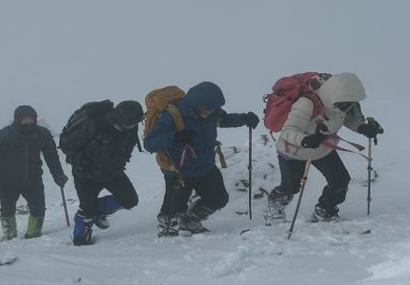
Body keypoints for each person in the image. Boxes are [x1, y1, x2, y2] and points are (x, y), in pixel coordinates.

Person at [263, 72, 384, 224]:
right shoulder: (306, 103)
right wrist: (305, 140)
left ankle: (325, 209)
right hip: (293, 152)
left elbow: (343, 118)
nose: (346, 107)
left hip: (322, 149)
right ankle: (273, 208)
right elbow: (288, 131)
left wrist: (361, 128)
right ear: (334, 96)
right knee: (290, 187)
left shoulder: (339, 103)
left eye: (349, 104)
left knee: (340, 181)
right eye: (344, 104)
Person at [143, 81, 260, 236]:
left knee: (218, 199)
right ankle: (167, 227)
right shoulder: (172, 116)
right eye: (208, 108)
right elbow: (149, 144)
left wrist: (243, 119)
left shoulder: (211, 113)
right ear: (196, 104)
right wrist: (175, 137)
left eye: (213, 108)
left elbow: (223, 119)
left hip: (205, 166)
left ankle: (190, 220)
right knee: (174, 207)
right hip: (179, 170)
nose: (211, 111)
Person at [61, 100, 144, 246]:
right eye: (127, 123)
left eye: (133, 123)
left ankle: (94, 211)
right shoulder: (95, 125)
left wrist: (120, 161)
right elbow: (68, 145)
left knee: (130, 200)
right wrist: (80, 161)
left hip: (112, 173)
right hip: (85, 175)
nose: (129, 127)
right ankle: (85, 221)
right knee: (81, 239)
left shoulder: (131, 128)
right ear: (118, 115)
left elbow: (127, 147)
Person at [0, 105, 68, 241]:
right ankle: (10, 237)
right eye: (25, 119)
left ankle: (34, 235)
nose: (29, 122)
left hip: (33, 179)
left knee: (39, 208)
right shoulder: (1, 136)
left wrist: (58, 175)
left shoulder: (42, 134)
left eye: (31, 119)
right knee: (7, 210)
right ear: (17, 119)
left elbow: (51, 156)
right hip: (6, 181)